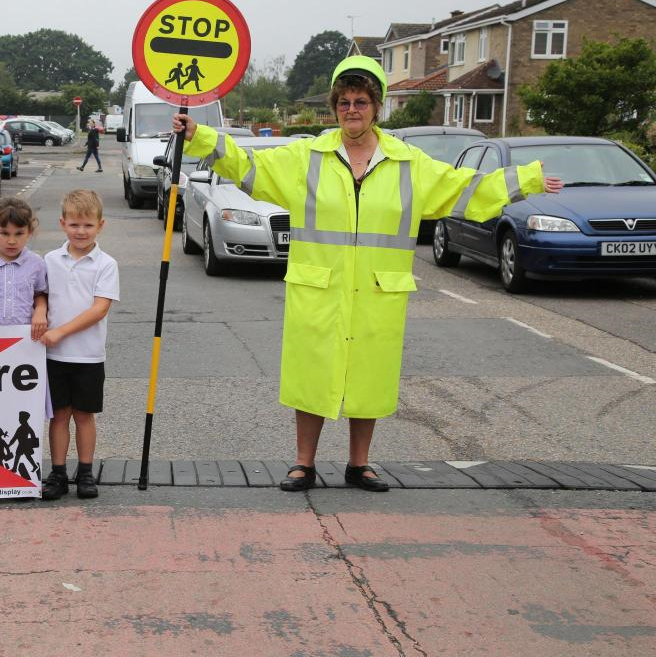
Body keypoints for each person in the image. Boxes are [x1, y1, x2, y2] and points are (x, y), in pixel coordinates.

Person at [172, 55, 564, 492]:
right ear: (335, 107)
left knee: (368, 378)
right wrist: (200, 136)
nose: (352, 110)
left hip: (378, 291)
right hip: (319, 287)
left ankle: (360, 465)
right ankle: (304, 464)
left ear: (377, 107)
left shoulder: (407, 163)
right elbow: (249, 167)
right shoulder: (309, 156)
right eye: (343, 102)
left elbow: (463, 188)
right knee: (311, 376)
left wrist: (526, 179)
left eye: (361, 102)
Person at [39, 189, 119, 500]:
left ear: (101, 225)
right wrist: (42, 316)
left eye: (87, 225)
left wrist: (60, 332)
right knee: (58, 415)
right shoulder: (49, 260)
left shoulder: (106, 264)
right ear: (62, 224)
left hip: (88, 355)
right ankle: (58, 472)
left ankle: (85, 471)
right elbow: (41, 296)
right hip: (54, 355)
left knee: (84, 415)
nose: (81, 231)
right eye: (74, 225)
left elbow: (99, 309)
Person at [0, 197, 48, 340]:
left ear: (29, 232)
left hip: (25, 338)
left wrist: (40, 311)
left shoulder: (37, 263)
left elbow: (40, 294)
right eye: (5, 233)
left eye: (19, 233)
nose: (11, 241)